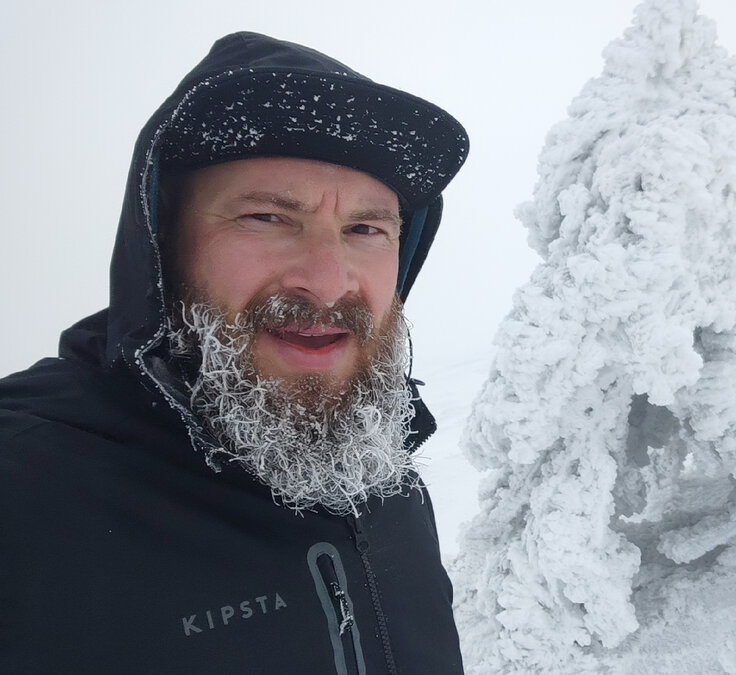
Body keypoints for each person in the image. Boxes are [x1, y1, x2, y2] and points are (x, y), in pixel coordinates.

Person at [0, 32, 469, 673]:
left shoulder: (382, 476)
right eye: (267, 218)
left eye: (365, 229)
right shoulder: (27, 492)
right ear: (162, 240)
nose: (328, 281)